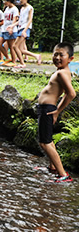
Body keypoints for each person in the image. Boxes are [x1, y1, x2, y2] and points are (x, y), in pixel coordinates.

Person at [36, 42, 75, 182]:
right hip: (47, 109)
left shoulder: (63, 74)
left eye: (61, 55)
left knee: (44, 143)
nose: (57, 57)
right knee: (48, 139)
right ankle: (52, 167)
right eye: (55, 54)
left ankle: (63, 174)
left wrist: (57, 110)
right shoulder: (62, 71)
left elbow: (71, 94)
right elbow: (65, 92)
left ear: (70, 58)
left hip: (48, 110)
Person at [12, 0, 41, 68]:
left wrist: (25, 30)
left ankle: (22, 63)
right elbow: (20, 20)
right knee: (21, 49)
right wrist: (12, 26)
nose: (21, 0)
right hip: (20, 28)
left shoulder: (30, 8)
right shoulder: (22, 8)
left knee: (15, 46)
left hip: (25, 29)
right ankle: (36, 56)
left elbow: (30, 20)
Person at [0, 0, 20, 67]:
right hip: (4, 29)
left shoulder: (14, 9)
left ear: (9, 1)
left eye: (5, 0)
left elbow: (15, 19)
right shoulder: (7, 8)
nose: (4, 2)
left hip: (10, 30)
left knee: (11, 46)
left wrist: (11, 28)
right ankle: (7, 58)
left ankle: (13, 61)